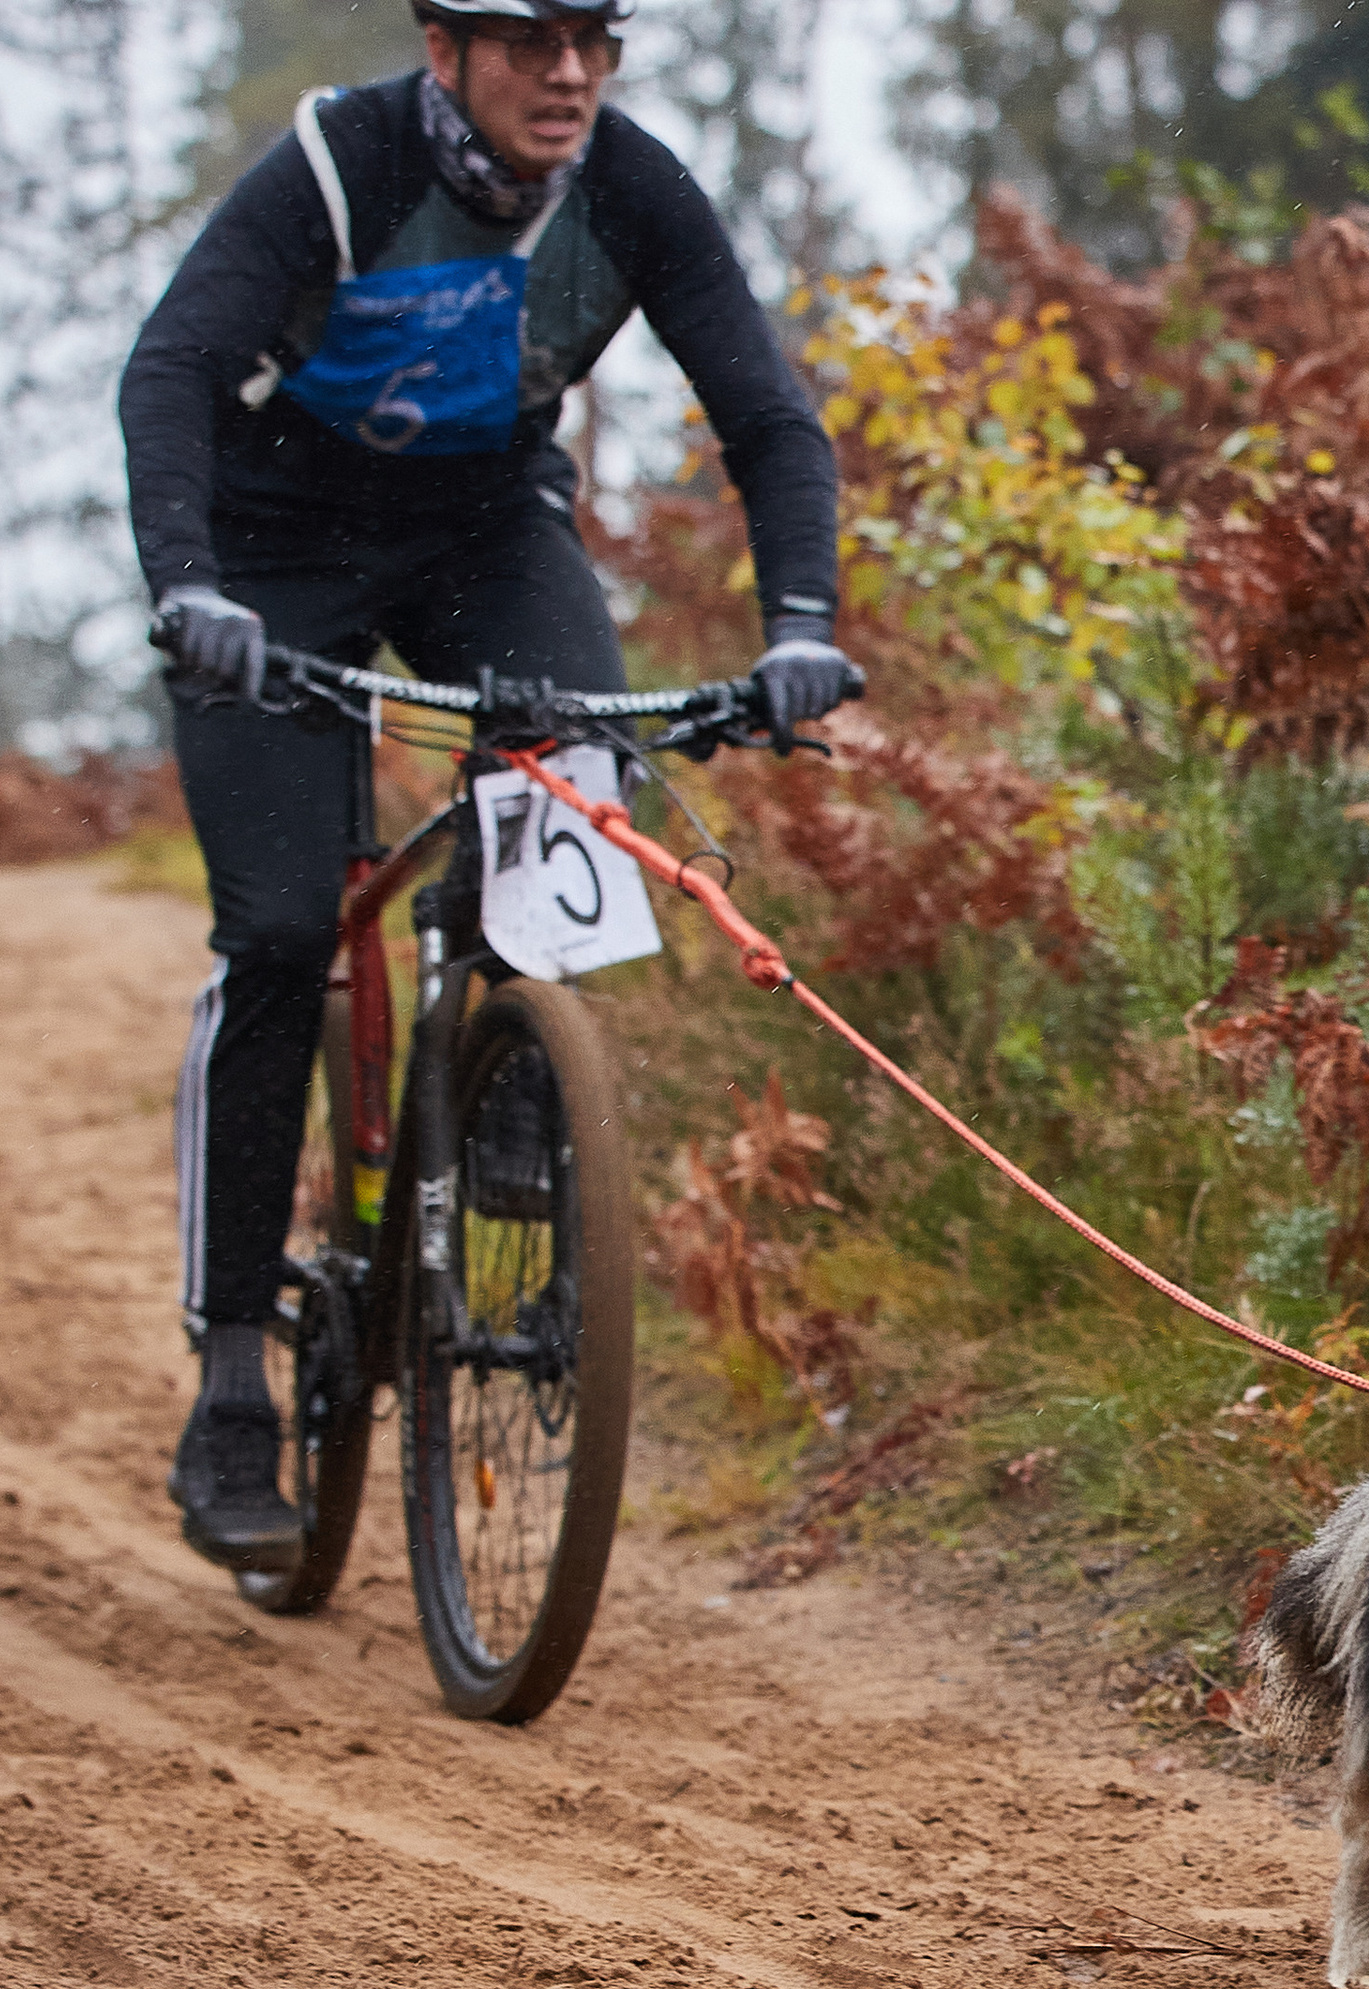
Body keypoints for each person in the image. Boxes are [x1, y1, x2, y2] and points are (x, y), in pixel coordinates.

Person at [121, 0, 854, 1572]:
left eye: (595, 38)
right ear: (445, 49)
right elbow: (173, 371)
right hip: (270, 557)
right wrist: (190, 587)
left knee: (579, 771)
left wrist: (801, 626)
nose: (570, 73)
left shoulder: (632, 184)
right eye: (530, 42)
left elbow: (769, 420)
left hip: (480, 537)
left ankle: (505, 1061)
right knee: (274, 934)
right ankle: (233, 1372)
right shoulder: (343, 163)